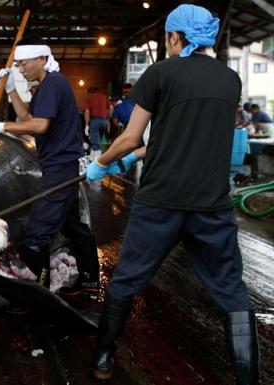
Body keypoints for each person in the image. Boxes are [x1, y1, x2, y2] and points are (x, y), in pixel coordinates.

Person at [85, 5, 260, 384]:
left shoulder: (160, 73)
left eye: (166, 36)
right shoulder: (230, 80)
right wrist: (131, 155)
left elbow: (131, 136)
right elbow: (183, 138)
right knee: (231, 290)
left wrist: (101, 163)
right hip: (211, 203)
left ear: (174, 37)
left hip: (161, 201)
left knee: (127, 279)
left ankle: (102, 358)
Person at [0, 35, 99, 291]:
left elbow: (39, 126)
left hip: (60, 167)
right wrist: (11, 89)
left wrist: (0, 126)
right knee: (73, 224)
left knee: (36, 234)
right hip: (62, 165)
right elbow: (28, 117)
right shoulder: (47, 86)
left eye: (24, 64)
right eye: (18, 65)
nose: (21, 69)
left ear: (42, 59)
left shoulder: (54, 83)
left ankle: (38, 291)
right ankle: (89, 279)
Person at [84, 86, 113, 160]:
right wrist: (108, 118)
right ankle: (91, 159)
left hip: (95, 121)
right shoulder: (104, 97)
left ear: (90, 92)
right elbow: (111, 108)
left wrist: (86, 125)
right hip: (104, 121)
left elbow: (87, 112)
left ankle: (98, 162)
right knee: (98, 140)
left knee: (95, 142)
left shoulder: (88, 97)